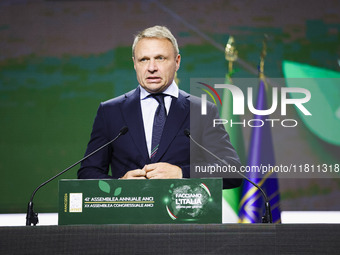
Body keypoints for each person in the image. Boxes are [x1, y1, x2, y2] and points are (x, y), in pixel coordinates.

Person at [78, 25, 242, 189]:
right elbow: (87, 174)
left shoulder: (202, 110)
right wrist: (119, 184)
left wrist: (182, 174)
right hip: (129, 211)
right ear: (135, 63)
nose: (151, 68)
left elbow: (232, 170)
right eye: (144, 60)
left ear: (177, 62)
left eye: (160, 58)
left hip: (183, 212)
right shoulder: (111, 111)